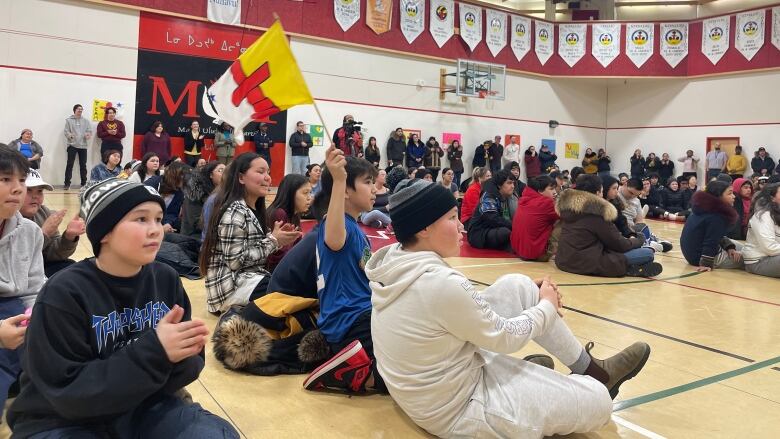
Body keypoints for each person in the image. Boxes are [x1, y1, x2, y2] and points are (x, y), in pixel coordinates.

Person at [366, 180, 651, 438]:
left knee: (520, 285)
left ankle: (589, 369)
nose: (462, 225)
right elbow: (504, 337)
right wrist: (547, 307)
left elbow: (453, 312)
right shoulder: (439, 283)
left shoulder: (396, 259)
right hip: (459, 410)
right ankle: (583, 383)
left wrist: (535, 299)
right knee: (599, 400)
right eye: (452, 218)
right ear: (424, 228)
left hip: (429, 391)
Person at [8, 177, 239, 438]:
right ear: (104, 232)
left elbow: (190, 366)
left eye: (157, 218)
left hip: (145, 405)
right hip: (63, 418)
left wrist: (181, 354)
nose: (156, 229)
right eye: (141, 219)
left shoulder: (165, 278)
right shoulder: (64, 292)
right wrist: (156, 351)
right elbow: (67, 393)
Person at [301, 148, 384, 393]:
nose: (375, 189)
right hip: (350, 323)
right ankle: (344, 373)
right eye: (367, 183)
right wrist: (338, 179)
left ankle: (356, 368)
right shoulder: (333, 225)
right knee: (413, 376)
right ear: (347, 191)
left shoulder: (356, 228)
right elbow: (335, 240)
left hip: (364, 317)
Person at [200, 153, 300, 314]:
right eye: (260, 172)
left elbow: (258, 250)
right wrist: (274, 240)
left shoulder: (252, 210)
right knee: (290, 291)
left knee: (294, 285)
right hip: (229, 289)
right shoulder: (235, 212)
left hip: (249, 279)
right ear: (241, 177)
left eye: (268, 172)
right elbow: (235, 262)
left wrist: (277, 239)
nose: (267, 177)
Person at [0, 147, 45, 414]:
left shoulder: (29, 231)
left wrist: (38, 318)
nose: (18, 189)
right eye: (6, 179)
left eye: (21, 180)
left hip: (15, 308)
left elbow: (34, 288)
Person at [556, 175, 662, 277]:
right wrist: (639, 240)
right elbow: (618, 244)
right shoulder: (597, 213)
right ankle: (629, 268)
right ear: (598, 193)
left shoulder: (568, 208)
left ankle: (632, 267)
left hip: (564, 260)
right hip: (587, 263)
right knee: (647, 254)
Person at [21, 169, 85, 276]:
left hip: (40, 265)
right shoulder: (7, 219)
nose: (35, 196)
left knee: (74, 270)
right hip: (18, 273)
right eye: (29, 190)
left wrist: (69, 237)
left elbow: (52, 255)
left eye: (40, 191)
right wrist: (43, 234)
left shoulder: (44, 213)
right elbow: (17, 260)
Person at [681, 181, 744, 271]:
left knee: (744, 248)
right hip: (700, 257)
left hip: (691, 252)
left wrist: (729, 247)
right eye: (729, 193)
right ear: (718, 196)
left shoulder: (704, 207)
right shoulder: (717, 216)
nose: (734, 196)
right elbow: (711, 241)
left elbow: (715, 234)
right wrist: (705, 264)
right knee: (751, 259)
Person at [265, 174, 312, 271]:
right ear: (291, 193)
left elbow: (298, 247)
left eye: (310, 193)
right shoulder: (279, 214)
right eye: (305, 193)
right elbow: (280, 256)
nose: (309, 198)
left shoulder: (294, 214)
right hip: (275, 273)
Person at [511, 175, 559, 261]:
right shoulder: (546, 203)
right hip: (536, 254)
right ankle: (560, 253)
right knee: (564, 221)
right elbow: (565, 215)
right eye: (551, 189)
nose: (555, 192)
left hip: (519, 251)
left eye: (555, 189)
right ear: (540, 191)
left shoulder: (523, 199)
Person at [467, 170, 514, 251]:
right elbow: (492, 218)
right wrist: (514, 226)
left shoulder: (507, 196)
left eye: (513, 183)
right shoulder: (489, 195)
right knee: (505, 232)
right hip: (478, 233)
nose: (513, 186)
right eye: (509, 183)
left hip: (491, 229)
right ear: (499, 185)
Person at [742, 183, 780, 278]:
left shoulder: (777, 214)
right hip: (758, 261)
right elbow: (769, 247)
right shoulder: (764, 215)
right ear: (772, 198)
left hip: (773, 257)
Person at [181, 161, 224, 238]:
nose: (225, 174)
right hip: (194, 236)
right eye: (220, 170)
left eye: (226, 170)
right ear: (211, 175)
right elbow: (195, 222)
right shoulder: (196, 192)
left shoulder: (225, 192)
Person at [144, 161, 188, 233]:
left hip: (161, 224)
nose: (185, 179)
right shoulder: (152, 184)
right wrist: (159, 226)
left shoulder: (179, 192)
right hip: (145, 223)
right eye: (183, 176)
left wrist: (167, 223)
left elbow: (172, 213)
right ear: (174, 176)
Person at [63, 104, 93, 189]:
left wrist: (88, 135)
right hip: (72, 145)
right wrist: (70, 136)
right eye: (78, 109)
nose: (80, 111)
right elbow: (66, 131)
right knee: (70, 164)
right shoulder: (69, 120)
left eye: (81, 109)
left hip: (83, 146)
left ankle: (84, 183)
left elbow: (89, 131)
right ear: (74, 110)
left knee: (83, 165)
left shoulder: (86, 121)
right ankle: (67, 183)